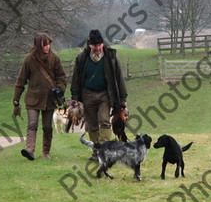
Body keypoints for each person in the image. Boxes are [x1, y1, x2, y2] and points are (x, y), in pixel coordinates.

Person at [71, 29, 128, 161]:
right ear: (89, 45)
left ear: (102, 44)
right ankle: (96, 152)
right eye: (94, 46)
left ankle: (105, 151)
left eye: (99, 45)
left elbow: (119, 77)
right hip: (87, 94)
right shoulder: (82, 58)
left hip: (105, 94)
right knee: (92, 124)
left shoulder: (111, 57)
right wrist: (74, 97)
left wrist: (123, 98)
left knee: (104, 121)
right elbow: (75, 78)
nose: (97, 48)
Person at [13, 33, 66, 160]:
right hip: (33, 98)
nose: (47, 47)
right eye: (44, 45)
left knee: (47, 127)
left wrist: (60, 89)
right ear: (38, 46)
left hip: (49, 98)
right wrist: (16, 99)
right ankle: (30, 150)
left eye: (48, 44)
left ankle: (46, 152)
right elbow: (21, 80)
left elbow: (61, 77)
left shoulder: (55, 59)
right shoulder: (29, 59)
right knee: (32, 124)